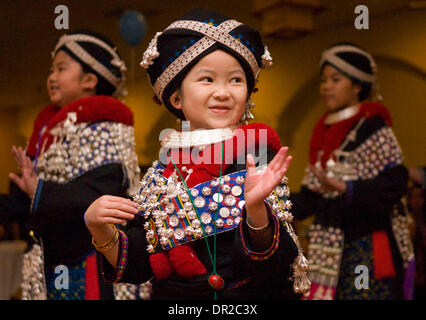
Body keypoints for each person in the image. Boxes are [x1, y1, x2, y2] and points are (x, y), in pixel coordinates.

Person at [84, 8, 310, 300]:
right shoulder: (163, 167)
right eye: (207, 79)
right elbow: (140, 263)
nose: (223, 92)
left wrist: (256, 212)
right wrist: (100, 229)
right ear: (176, 97)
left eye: (235, 80)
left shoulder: (253, 151)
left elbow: (272, 267)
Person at [0, 30, 140, 299]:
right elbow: (31, 204)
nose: (51, 77)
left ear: (89, 80)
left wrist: (39, 190)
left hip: (88, 260)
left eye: (61, 68)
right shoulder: (49, 131)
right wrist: (29, 193)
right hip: (53, 258)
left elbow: (99, 195)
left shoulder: (106, 127)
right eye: (51, 69)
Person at [291, 43, 414, 300]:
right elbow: (311, 196)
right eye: (324, 80)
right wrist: (272, 201)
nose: (326, 86)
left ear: (358, 85)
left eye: (336, 80)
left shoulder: (372, 125)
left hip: (366, 241)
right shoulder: (323, 131)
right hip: (329, 243)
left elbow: (395, 182)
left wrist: (346, 188)